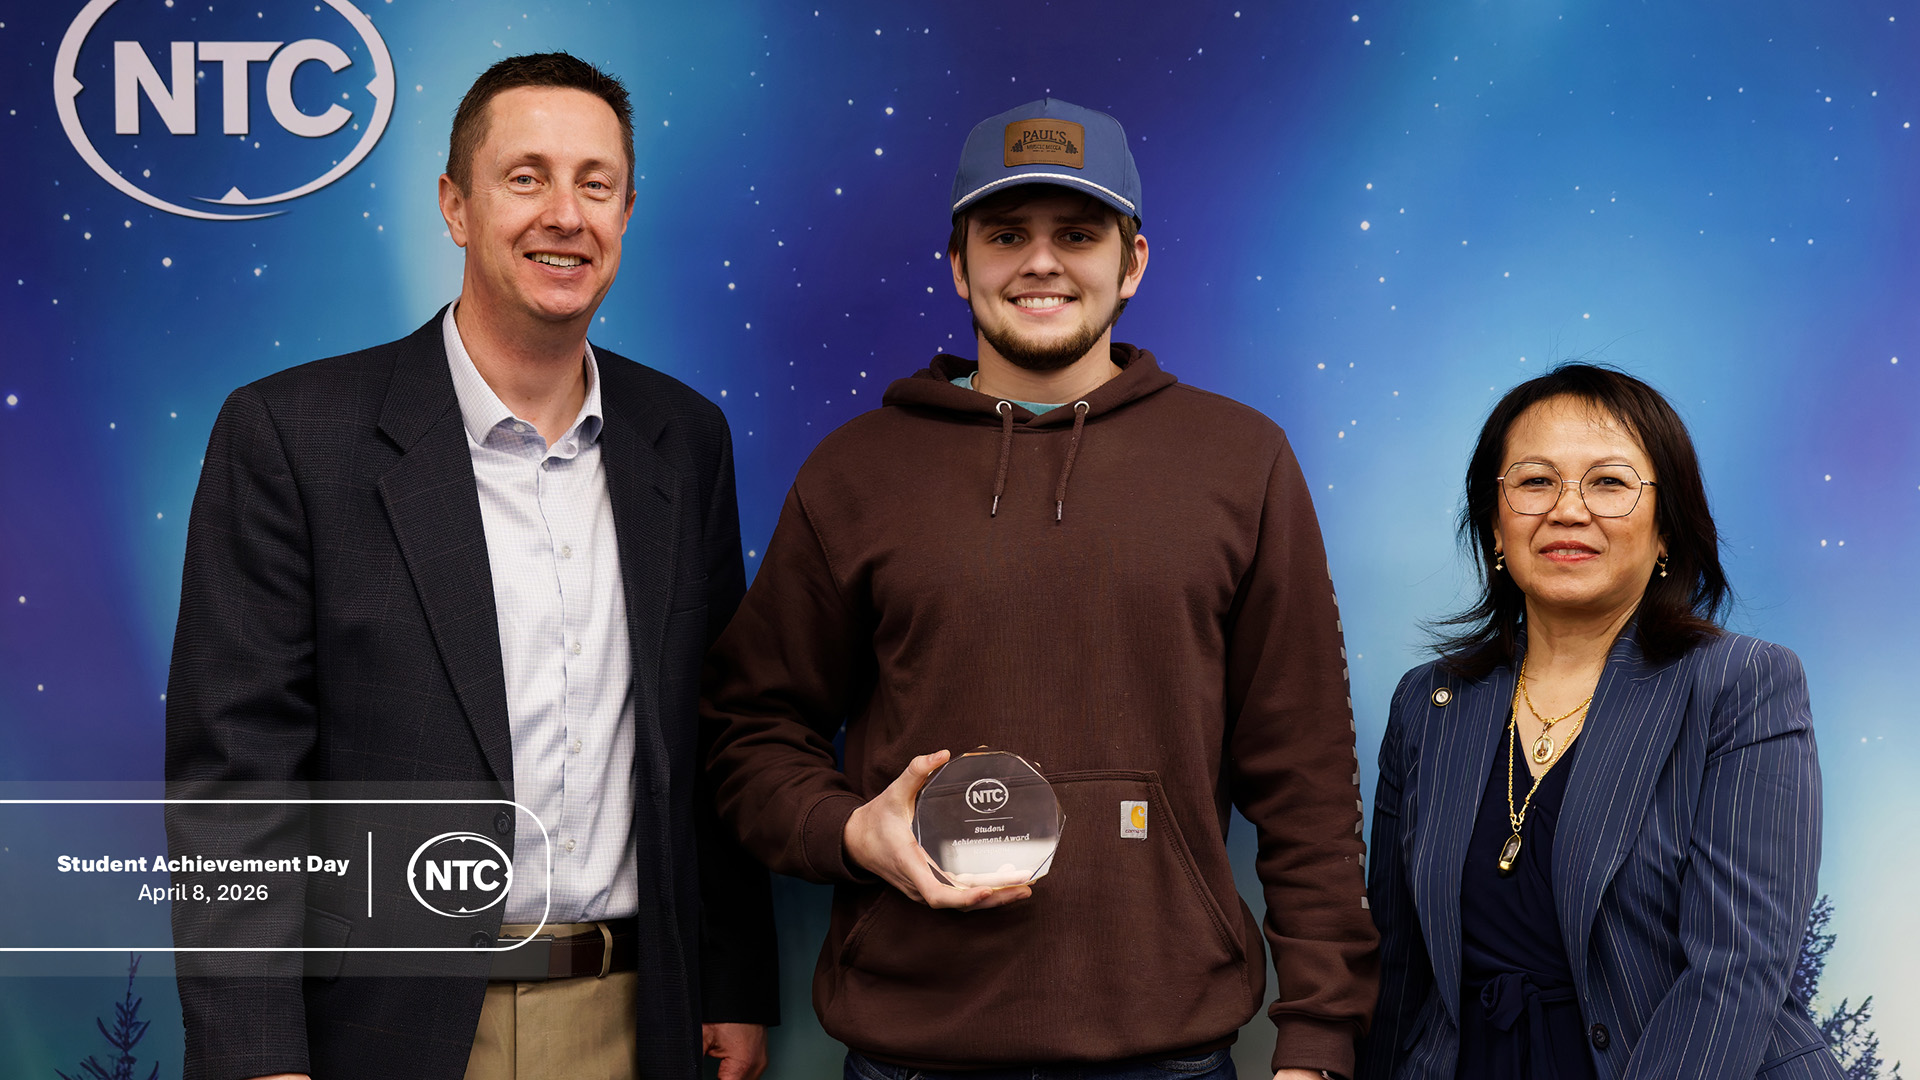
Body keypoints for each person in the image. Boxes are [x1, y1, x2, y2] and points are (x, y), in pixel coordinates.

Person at [701, 98, 1378, 1080]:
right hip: (911, 1053)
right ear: (959, 264)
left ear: (1133, 261)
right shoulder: (855, 474)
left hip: (1173, 1054)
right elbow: (748, 731)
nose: (1042, 263)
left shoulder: (1242, 463)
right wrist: (853, 831)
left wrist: (1318, 1039)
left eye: (1078, 233)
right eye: (1006, 233)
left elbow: (1307, 771)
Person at [165, 52, 777, 1080]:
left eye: (595, 182)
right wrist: (256, 1052)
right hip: (380, 1031)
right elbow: (237, 783)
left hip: (634, 1022)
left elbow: (706, 731)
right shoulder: (290, 435)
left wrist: (730, 984)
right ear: (455, 206)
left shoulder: (683, 440)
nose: (565, 214)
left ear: (628, 212)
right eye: (526, 177)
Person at [1357, 365, 1842, 1079]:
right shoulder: (1429, 703)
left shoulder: (1741, 685)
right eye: (1534, 482)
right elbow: (1398, 969)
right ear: (1495, 522)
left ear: (1667, 526)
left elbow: (1737, 971)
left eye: (1609, 483)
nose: (1567, 510)